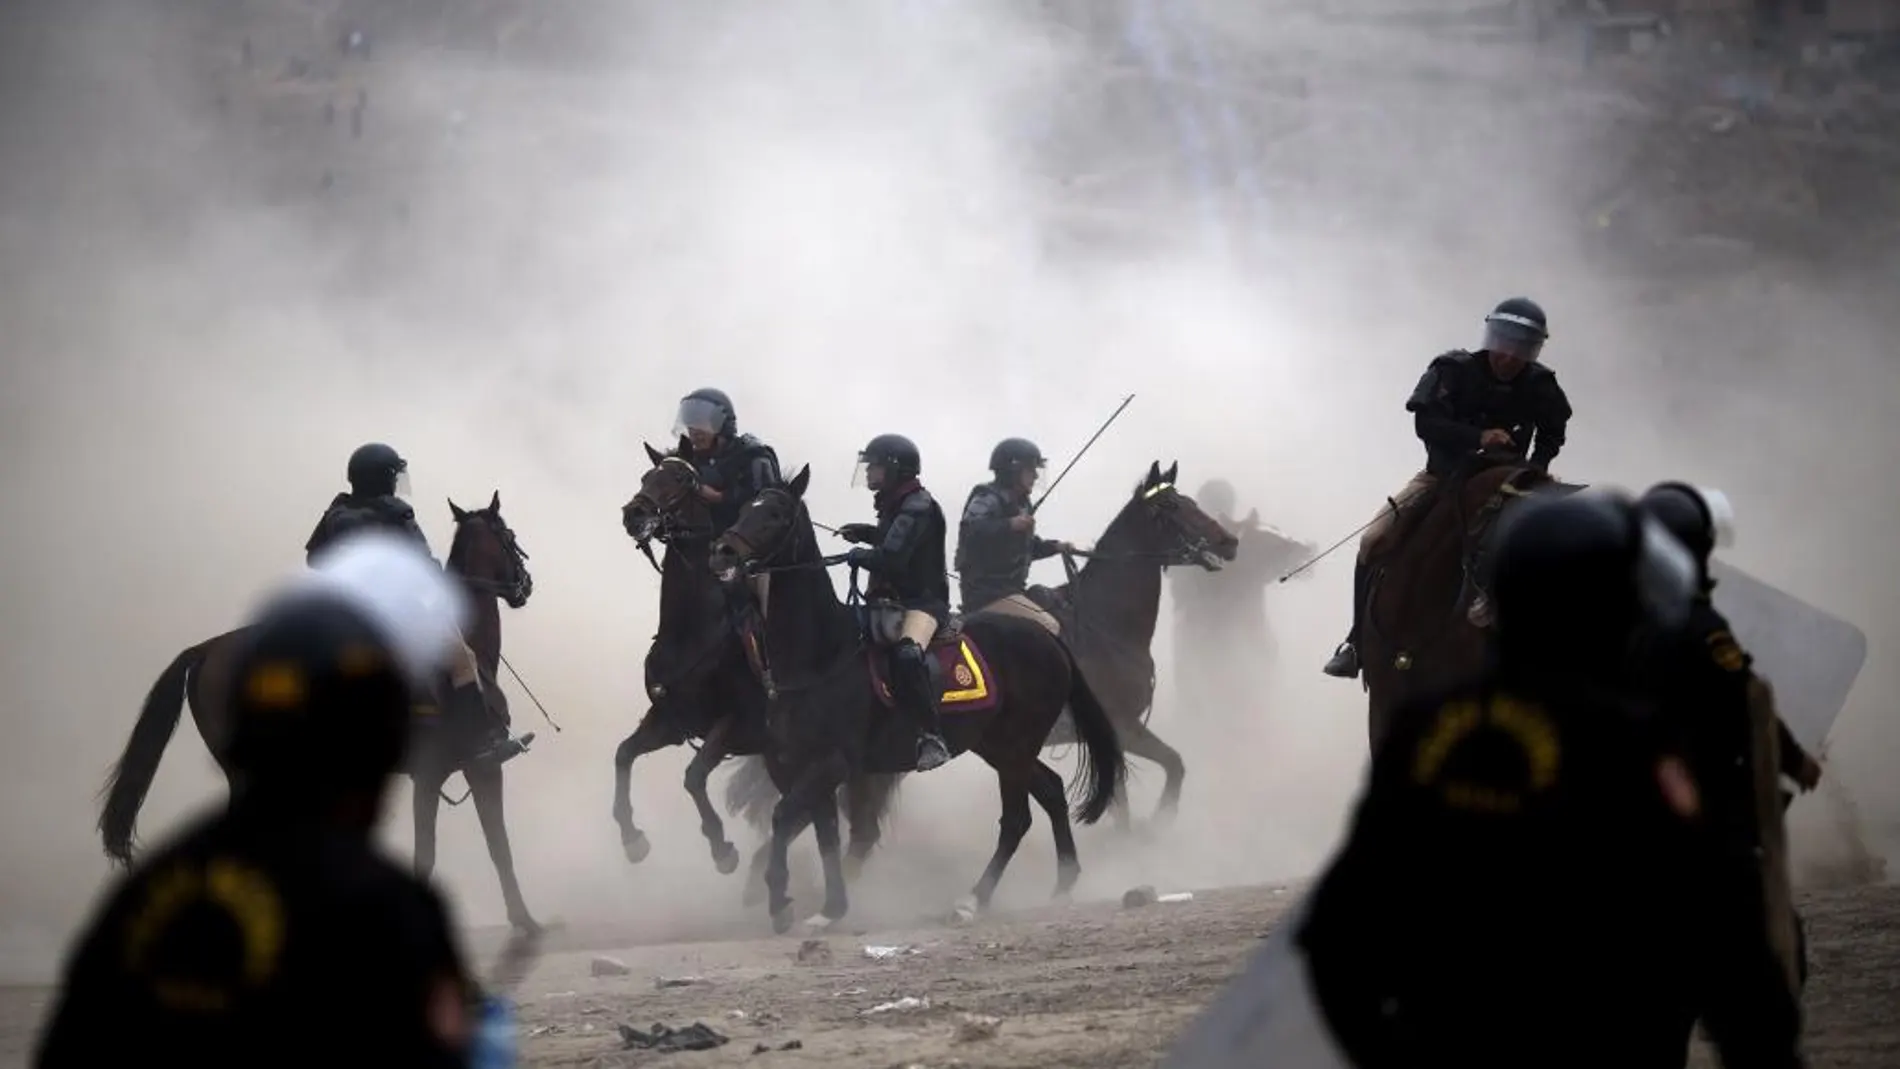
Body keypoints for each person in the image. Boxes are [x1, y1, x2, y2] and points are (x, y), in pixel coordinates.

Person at [1294, 491, 1805, 1069]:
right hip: (1452, 471)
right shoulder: (1633, 743)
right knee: (1375, 542)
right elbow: (1728, 944)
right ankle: (1359, 638)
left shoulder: (1425, 731)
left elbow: (1335, 937)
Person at [37, 533, 483, 1069]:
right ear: (376, 743)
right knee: (462, 660)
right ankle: (469, 719)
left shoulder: (141, 898)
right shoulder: (393, 911)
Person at [1323, 297, 1575, 679]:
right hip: (1442, 476)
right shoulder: (1453, 370)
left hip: (1511, 482)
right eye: (1504, 341)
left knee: (1568, 543)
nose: (1509, 355)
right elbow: (1426, 423)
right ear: (1490, 337)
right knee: (1373, 540)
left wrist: (1534, 469)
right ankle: (1356, 642)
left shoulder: (1541, 384)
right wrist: (1478, 436)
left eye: (1521, 347)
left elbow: (1553, 432)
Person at [1639, 481, 1818, 1003]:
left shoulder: (1614, 620)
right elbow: (1744, 699)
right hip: (1706, 818)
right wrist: (1795, 760)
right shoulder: (1700, 626)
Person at [303, 442, 525, 768]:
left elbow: (314, 560)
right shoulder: (396, 513)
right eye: (395, 476)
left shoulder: (336, 514)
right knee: (462, 658)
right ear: (385, 479)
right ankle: (479, 742)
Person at [837, 433, 953, 772]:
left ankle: (931, 737)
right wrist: (868, 533)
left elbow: (893, 558)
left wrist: (861, 554)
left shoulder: (917, 505)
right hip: (891, 603)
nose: (869, 472)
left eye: (873, 466)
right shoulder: (896, 504)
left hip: (922, 604)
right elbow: (894, 539)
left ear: (895, 468)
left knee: (905, 655)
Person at [954, 437, 1074, 634]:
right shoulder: (987, 497)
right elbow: (971, 530)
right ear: (1013, 470)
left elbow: (1025, 548)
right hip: (986, 594)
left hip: (1010, 592)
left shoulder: (1022, 504)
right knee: (1049, 627)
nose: (1035, 476)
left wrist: (1056, 547)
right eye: (1030, 470)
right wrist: (1009, 524)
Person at [672, 387, 783, 535]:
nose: (694, 433)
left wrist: (720, 497)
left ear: (721, 423)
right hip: (705, 543)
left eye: (701, 425)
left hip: (750, 543)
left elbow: (767, 500)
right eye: (691, 426)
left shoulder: (752, 455)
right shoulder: (688, 461)